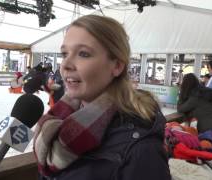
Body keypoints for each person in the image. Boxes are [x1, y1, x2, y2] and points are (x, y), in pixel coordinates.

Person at [33, 15, 170, 180]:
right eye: (64, 53)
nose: (65, 65)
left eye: (83, 54)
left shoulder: (141, 150)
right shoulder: (61, 117)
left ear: (117, 66)